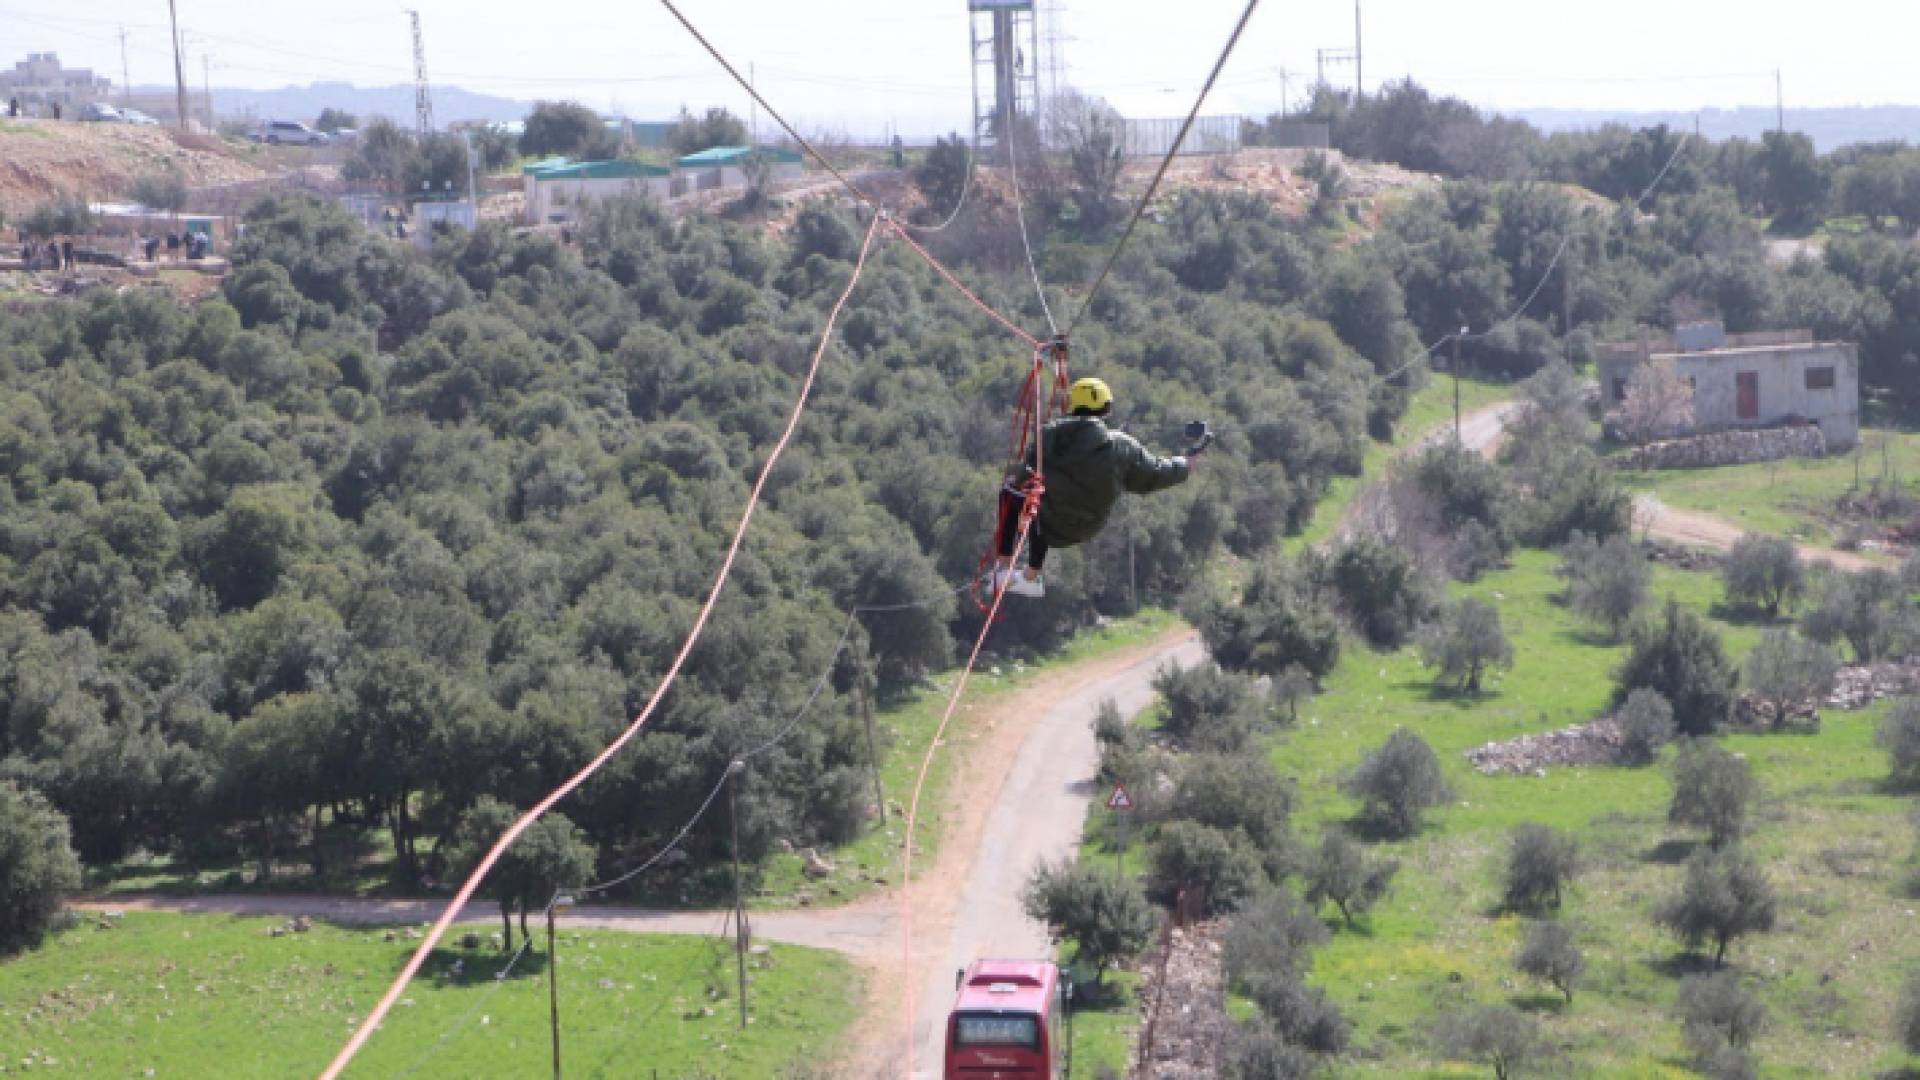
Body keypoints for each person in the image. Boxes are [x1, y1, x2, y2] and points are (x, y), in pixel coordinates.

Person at [990, 377, 1202, 598]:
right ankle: (1030, 576)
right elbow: (1156, 473)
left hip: (1046, 524)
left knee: (1012, 492)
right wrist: (1185, 463)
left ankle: (1005, 570)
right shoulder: (1120, 446)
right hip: (1087, 527)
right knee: (1041, 503)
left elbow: (1025, 477)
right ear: (1105, 409)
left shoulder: (1050, 439)